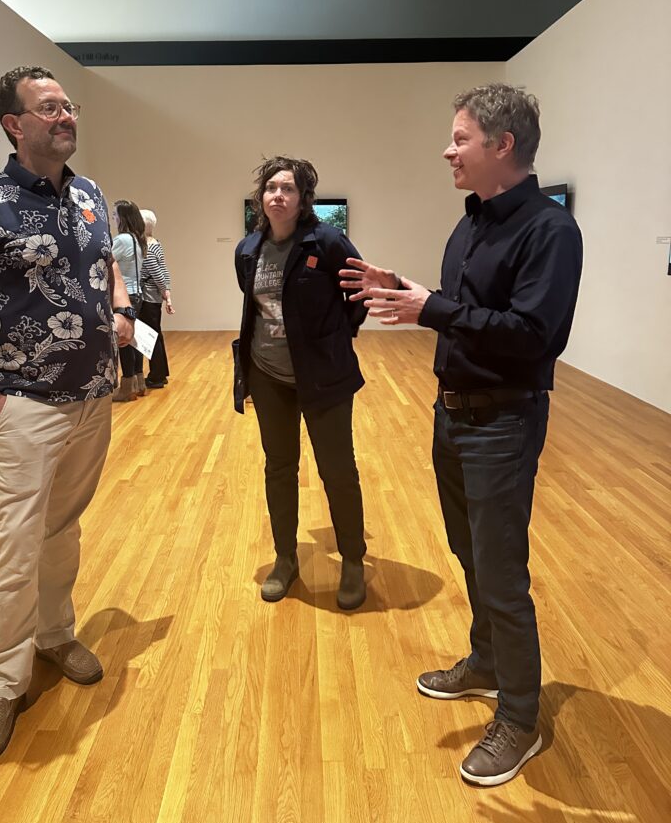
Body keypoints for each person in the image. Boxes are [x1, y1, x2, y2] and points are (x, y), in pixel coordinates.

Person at [340, 84, 583, 786]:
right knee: (468, 550)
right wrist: (412, 289)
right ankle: (485, 661)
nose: (448, 150)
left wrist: (431, 310)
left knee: (502, 571)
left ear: (502, 146)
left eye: (460, 138)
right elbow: (473, 308)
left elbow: (534, 336)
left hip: (504, 419)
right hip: (454, 414)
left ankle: (520, 714)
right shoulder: (471, 223)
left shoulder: (550, 231)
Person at [0, 65, 135, 763]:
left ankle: (55, 635)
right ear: (14, 125)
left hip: (91, 398)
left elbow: (105, 266)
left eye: (68, 105)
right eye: (49, 107)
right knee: (16, 545)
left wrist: (119, 307)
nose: (65, 115)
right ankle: (0, 683)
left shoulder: (89, 195)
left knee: (63, 528)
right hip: (25, 403)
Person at [234, 156, 369, 610]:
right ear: (261, 196)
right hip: (268, 374)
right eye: (271, 187)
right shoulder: (248, 248)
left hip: (324, 377)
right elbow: (254, 306)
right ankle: (286, 557)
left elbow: (360, 294)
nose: (278, 195)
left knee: (337, 469)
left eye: (288, 188)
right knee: (279, 467)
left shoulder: (327, 241)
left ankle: (352, 560)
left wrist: (333, 340)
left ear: (303, 197)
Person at [111, 200, 146, 401]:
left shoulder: (123, 239)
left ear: (122, 217)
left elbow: (104, 261)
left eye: (115, 214)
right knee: (134, 340)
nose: (113, 218)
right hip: (137, 294)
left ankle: (127, 388)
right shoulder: (136, 239)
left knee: (123, 341)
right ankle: (139, 383)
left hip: (125, 297)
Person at [138, 208, 174, 389]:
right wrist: (167, 292)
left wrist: (165, 291)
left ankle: (157, 375)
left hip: (147, 296)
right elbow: (164, 271)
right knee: (155, 334)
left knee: (150, 335)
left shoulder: (146, 247)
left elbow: (157, 271)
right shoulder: (156, 243)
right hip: (154, 295)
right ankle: (160, 373)